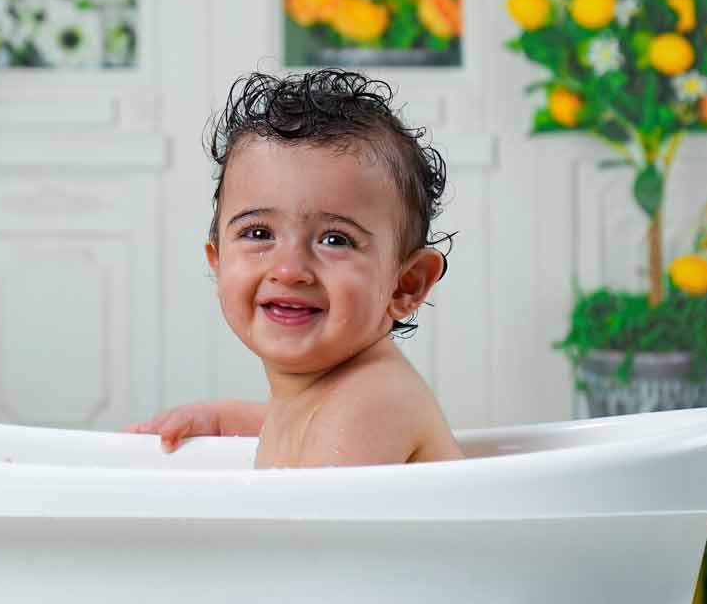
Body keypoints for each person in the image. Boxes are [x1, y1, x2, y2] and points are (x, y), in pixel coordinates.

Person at [129, 69, 463, 468]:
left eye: (335, 239)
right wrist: (218, 420)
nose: (288, 270)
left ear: (405, 284)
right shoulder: (326, 399)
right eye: (258, 233)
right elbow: (291, 426)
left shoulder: (373, 401)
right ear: (218, 262)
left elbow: (304, 525)